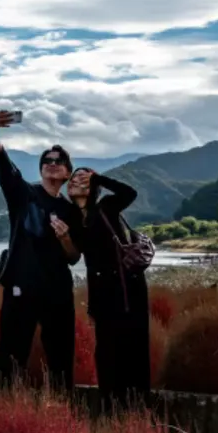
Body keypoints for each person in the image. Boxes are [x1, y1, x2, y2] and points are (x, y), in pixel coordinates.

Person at [0, 111, 82, 394]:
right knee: (11, 356)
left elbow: (74, 257)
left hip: (57, 292)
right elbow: (5, 166)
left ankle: (61, 415)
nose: (52, 164)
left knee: (61, 359)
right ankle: (3, 413)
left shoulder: (71, 211)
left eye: (59, 161)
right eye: (47, 161)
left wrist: (65, 237)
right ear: (41, 169)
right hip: (21, 287)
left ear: (67, 173)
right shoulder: (23, 194)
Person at [67, 168, 150, 413]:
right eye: (73, 177)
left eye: (83, 177)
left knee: (133, 352)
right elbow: (85, 263)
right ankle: (110, 412)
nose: (76, 180)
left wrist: (99, 178)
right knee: (106, 354)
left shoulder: (106, 207)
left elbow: (130, 193)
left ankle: (137, 412)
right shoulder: (73, 218)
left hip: (128, 290)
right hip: (102, 295)